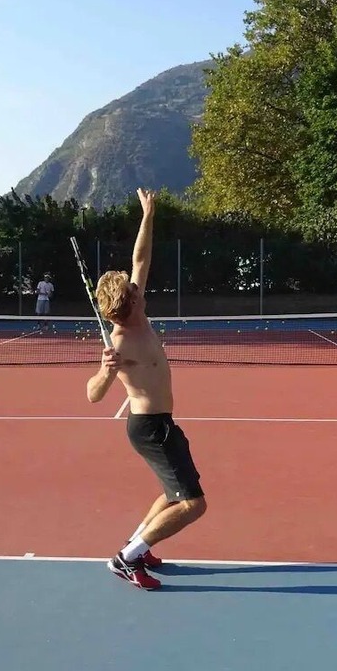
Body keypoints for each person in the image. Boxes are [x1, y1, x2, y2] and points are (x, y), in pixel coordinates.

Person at [85, 188, 206, 591]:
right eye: (136, 294)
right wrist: (105, 373)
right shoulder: (119, 343)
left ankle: (138, 546)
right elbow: (93, 395)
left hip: (162, 423)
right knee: (192, 504)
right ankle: (127, 558)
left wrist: (148, 214)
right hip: (149, 427)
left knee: (171, 495)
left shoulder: (140, 313)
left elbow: (141, 258)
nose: (141, 291)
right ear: (126, 306)